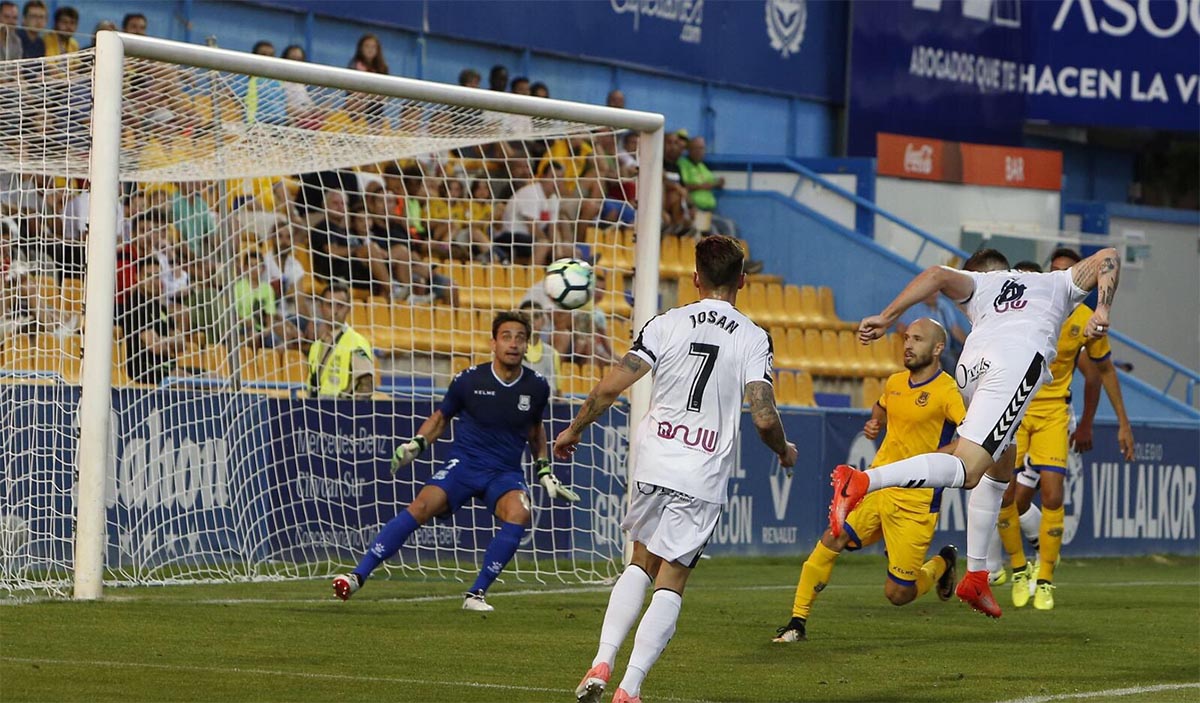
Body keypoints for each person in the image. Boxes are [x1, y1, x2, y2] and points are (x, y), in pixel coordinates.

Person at [556, 235, 798, 703]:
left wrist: (575, 429)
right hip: (700, 470)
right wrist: (783, 450)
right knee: (673, 578)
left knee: (639, 563)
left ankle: (602, 659)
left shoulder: (665, 323)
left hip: (652, 460)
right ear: (743, 281)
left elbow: (609, 388)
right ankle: (630, 688)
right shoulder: (753, 336)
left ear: (695, 278)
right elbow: (764, 416)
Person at [828, 246, 1122, 618]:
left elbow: (935, 273)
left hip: (971, 365)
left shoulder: (983, 284)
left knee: (1001, 459)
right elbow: (1108, 256)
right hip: (1015, 363)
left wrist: (888, 317)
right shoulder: (1056, 283)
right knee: (969, 470)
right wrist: (1103, 309)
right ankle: (862, 481)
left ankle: (977, 575)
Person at [332, 311, 580, 610]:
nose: (513, 344)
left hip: (503, 472)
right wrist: (416, 444)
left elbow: (535, 429)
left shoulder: (537, 386)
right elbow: (440, 418)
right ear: (493, 343)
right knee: (420, 506)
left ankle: (476, 594)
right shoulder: (468, 380)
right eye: (506, 337)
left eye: (520, 338)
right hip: (464, 464)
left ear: (527, 345)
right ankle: (357, 576)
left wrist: (543, 469)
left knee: (520, 513)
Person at [773, 318, 965, 643]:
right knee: (831, 539)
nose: (908, 344)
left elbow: (971, 437)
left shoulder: (948, 391)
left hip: (915, 502)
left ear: (937, 348)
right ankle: (796, 622)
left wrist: (939, 457)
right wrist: (875, 423)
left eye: (917, 339)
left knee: (897, 594)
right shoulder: (894, 382)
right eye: (906, 338)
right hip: (878, 486)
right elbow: (881, 407)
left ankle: (941, 564)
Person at [996, 248, 1135, 610]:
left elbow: (1102, 370)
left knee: (1053, 495)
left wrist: (1121, 423)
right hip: (1018, 410)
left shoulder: (1086, 319)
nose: (1060, 276)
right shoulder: (1033, 309)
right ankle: (1018, 568)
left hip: (1055, 412)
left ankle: (1045, 580)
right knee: (1005, 494)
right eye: (1054, 271)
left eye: (1067, 271)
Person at [305, 283, 374, 398]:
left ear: (348, 308)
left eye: (340, 306)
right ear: (320, 307)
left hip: (344, 409)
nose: (334, 311)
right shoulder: (316, 346)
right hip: (317, 408)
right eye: (329, 305)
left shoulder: (356, 342)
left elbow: (366, 385)